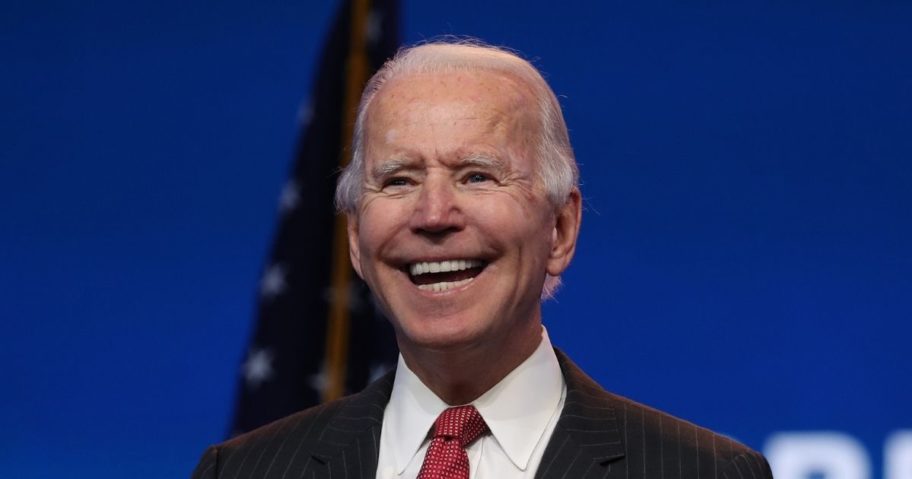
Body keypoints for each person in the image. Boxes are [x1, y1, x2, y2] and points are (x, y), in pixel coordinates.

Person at [191, 40, 773, 479]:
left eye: (476, 175)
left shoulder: (704, 472)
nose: (434, 213)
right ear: (354, 241)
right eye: (398, 180)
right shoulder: (243, 470)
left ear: (561, 228)